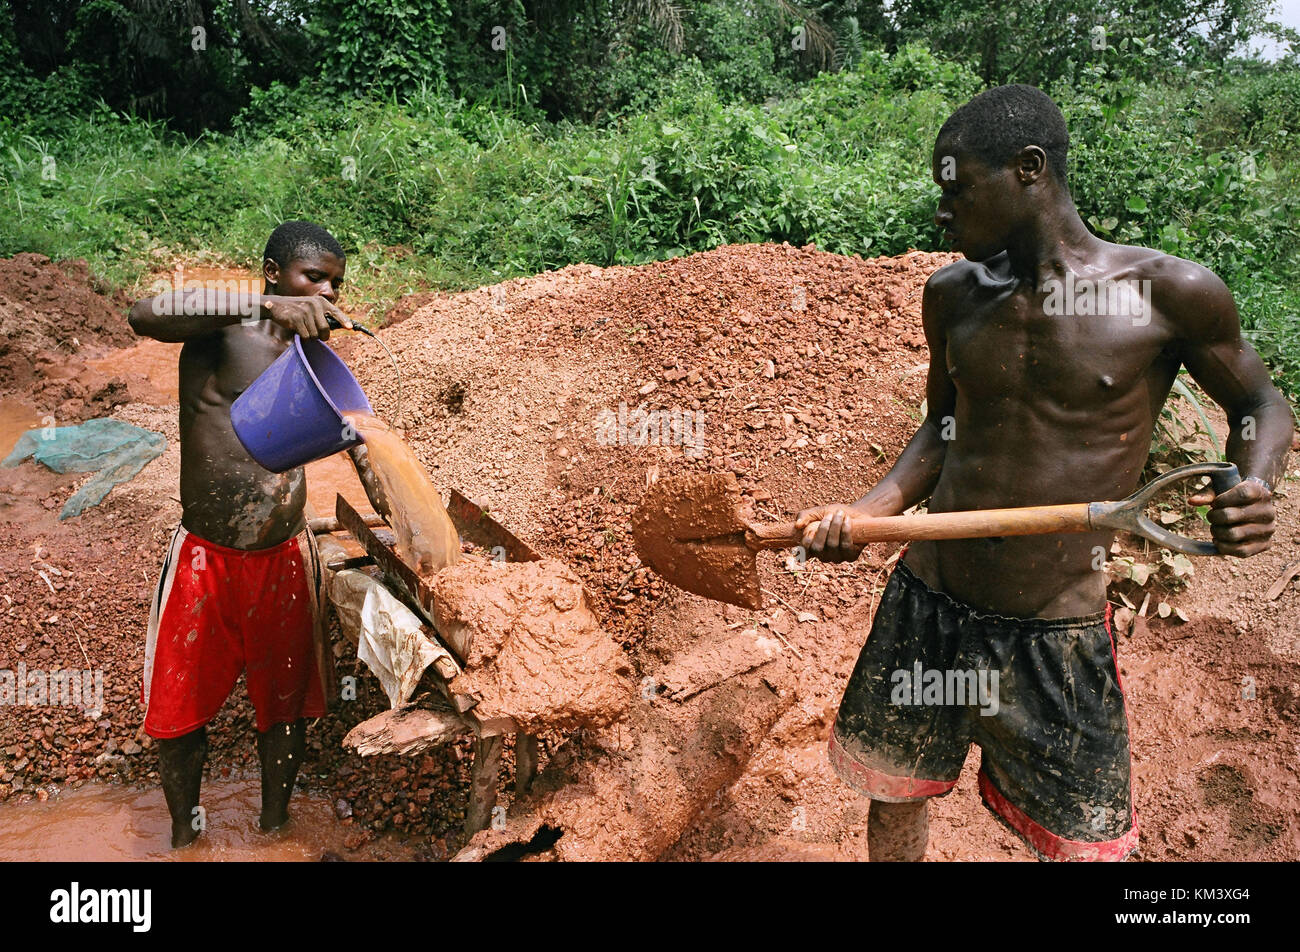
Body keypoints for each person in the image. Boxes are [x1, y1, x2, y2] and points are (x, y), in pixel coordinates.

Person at [795, 85, 1291, 862]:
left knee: (1080, 844)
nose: (942, 212)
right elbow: (942, 427)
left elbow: (1260, 402)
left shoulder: (1166, 294)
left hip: (1055, 628)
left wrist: (1256, 483)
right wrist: (871, 510)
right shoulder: (953, 296)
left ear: (1028, 170)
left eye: (956, 190)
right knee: (892, 790)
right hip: (930, 601)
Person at [129, 220, 358, 847]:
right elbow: (143, 313)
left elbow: (343, 429)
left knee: (284, 707)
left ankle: (275, 831)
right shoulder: (224, 329)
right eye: (313, 277)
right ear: (272, 275)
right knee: (178, 714)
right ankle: (184, 840)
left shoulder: (311, 350)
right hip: (206, 556)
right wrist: (262, 305)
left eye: (335, 283)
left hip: (283, 555)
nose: (326, 293)